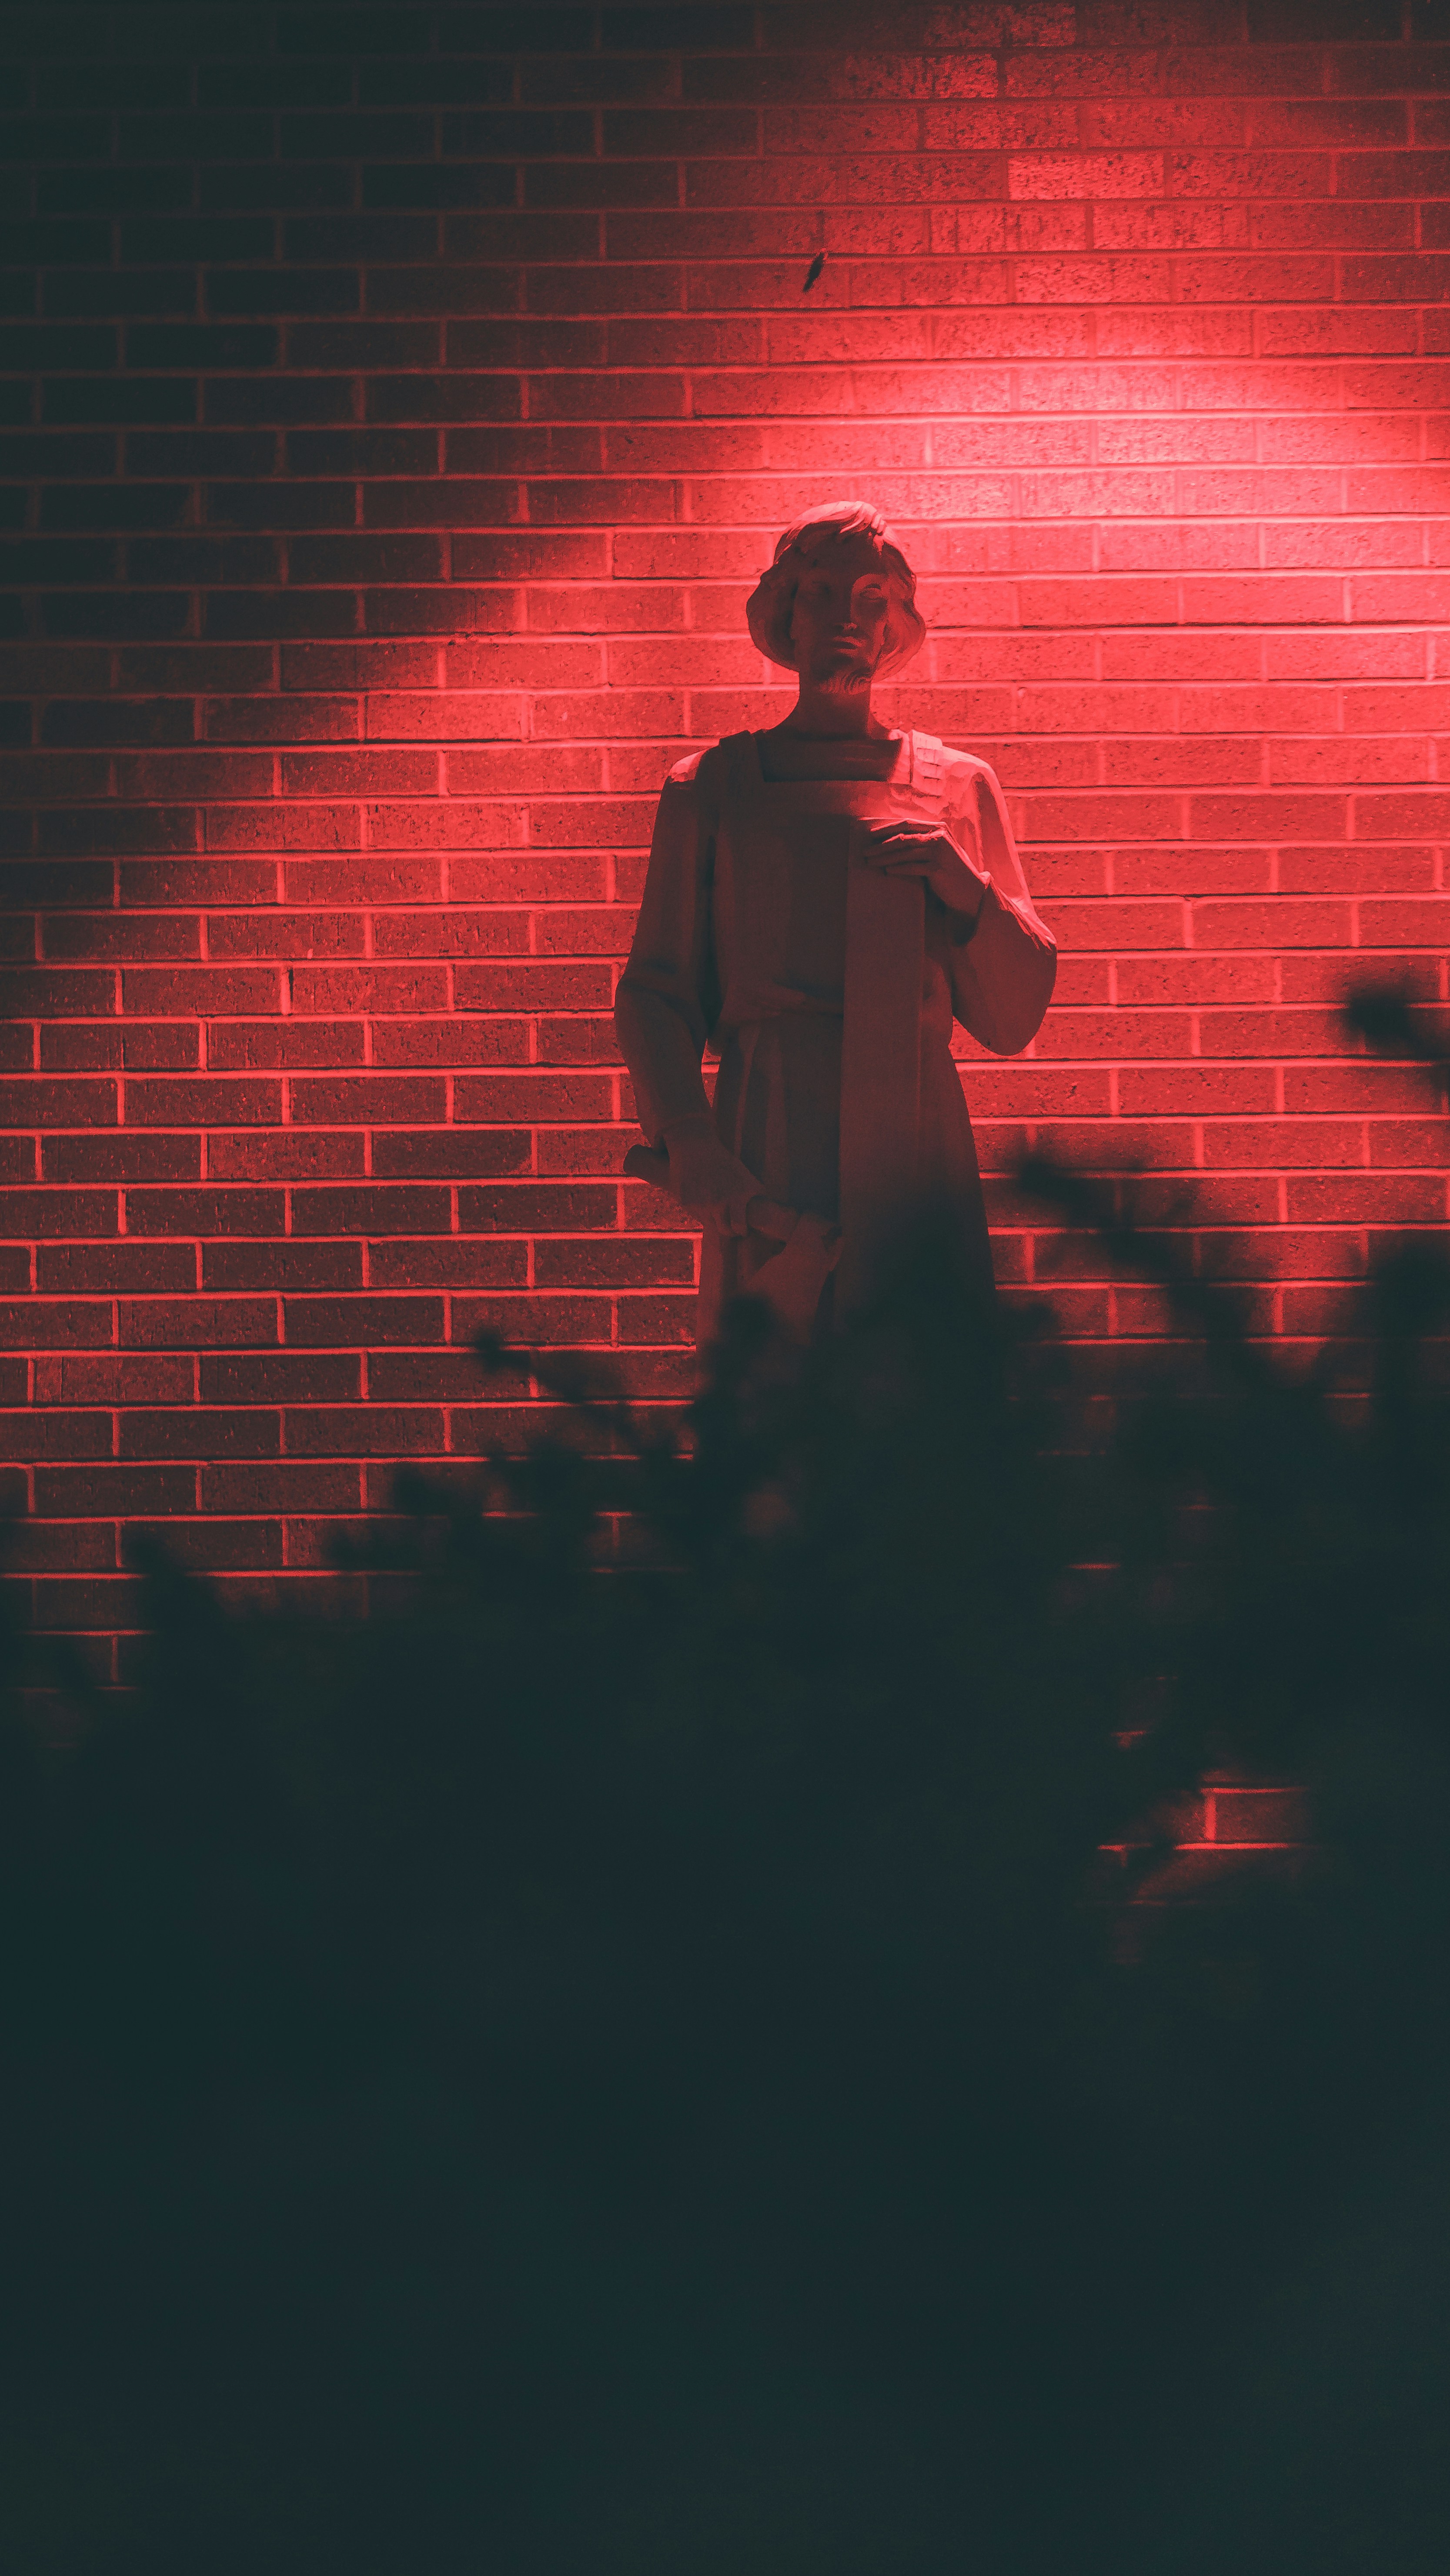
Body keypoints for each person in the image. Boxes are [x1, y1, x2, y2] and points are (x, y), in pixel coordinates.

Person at [615, 500, 1056, 1350]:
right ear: (784, 609)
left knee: (918, 1397)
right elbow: (657, 990)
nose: (846, 619)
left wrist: (961, 885)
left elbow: (1012, 1015)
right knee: (776, 1395)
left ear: (897, 622)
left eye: (870, 596)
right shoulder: (711, 787)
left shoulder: (957, 787)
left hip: (912, 1135)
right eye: (820, 592)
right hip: (768, 1135)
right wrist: (690, 1137)